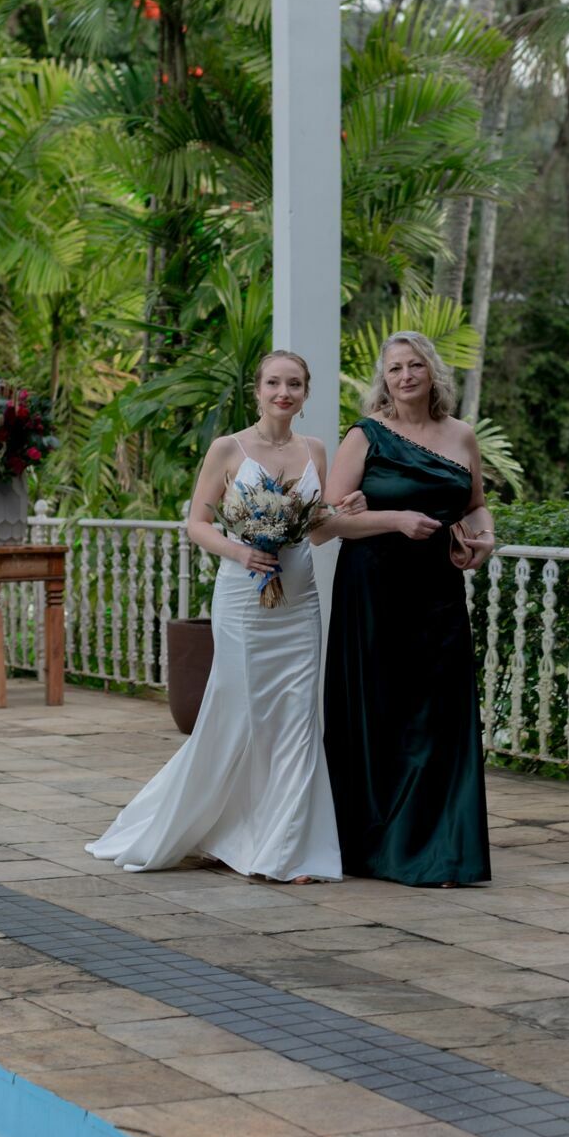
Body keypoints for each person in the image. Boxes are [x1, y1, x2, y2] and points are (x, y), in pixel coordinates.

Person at [86, 351, 359, 883]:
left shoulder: (316, 450)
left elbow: (318, 528)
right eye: (275, 383)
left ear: (306, 394)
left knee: (298, 718)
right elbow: (197, 522)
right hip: (243, 595)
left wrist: (345, 511)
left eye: (295, 384)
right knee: (240, 714)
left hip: (299, 597)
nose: (285, 392)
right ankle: (217, 828)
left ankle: (286, 849)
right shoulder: (227, 448)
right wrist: (240, 552)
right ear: (256, 390)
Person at [323, 332, 496, 887]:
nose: (405, 376)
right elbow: (326, 522)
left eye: (414, 365)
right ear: (385, 378)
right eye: (395, 367)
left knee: (437, 717)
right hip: (372, 589)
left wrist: (484, 542)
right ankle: (374, 847)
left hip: (438, 591)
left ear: (432, 372)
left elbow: (476, 506)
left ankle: (437, 851)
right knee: (381, 713)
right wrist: (393, 519)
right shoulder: (365, 436)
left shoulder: (462, 436)